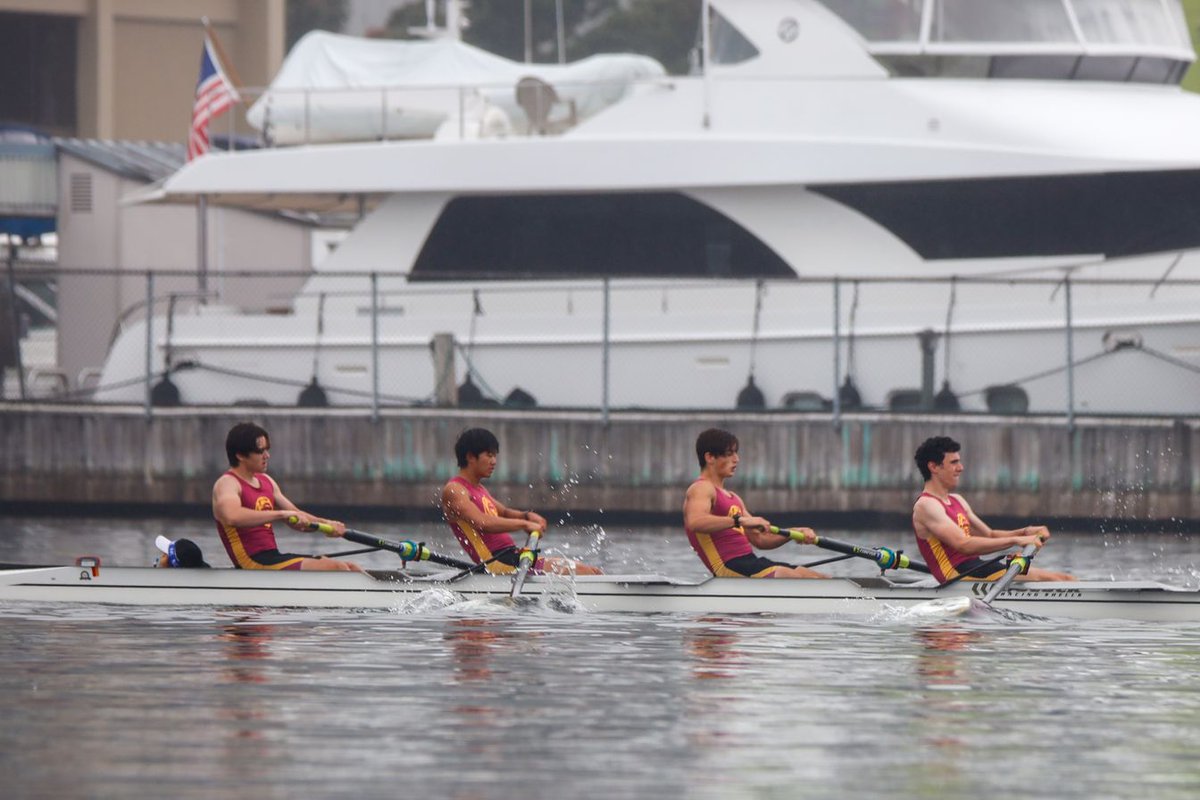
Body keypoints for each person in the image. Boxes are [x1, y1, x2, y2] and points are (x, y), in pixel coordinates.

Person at [912, 436, 1075, 584]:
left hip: (975, 568)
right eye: (953, 462)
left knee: (1065, 578)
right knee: (1058, 579)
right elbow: (963, 545)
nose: (960, 468)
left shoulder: (957, 500)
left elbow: (990, 535)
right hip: (957, 576)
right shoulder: (926, 505)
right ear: (933, 467)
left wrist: (1025, 532)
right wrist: (1015, 541)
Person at [441, 427, 602, 575]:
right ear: (470, 457)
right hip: (497, 564)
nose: (494, 461)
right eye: (489, 455)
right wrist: (524, 525)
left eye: (495, 456)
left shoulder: (479, 489)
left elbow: (503, 512)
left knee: (593, 571)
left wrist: (526, 516)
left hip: (511, 558)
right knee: (585, 572)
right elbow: (482, 523)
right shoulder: (455, 490)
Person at [212, 422, 366, 572]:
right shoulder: (227, 484)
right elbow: (232, 516)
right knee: (337, 568)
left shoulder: (267, 481)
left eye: (267, 449)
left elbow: (297, 517)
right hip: (252, 562)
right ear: (240, 455)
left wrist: (328, 525)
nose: (267, 455)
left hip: (272, 558)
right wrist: (281, 515)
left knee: (352, 568)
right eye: (260, 451)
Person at [683, 428, 826, 579]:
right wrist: (740, 520)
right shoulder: (701, 488)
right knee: (792, 576)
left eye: (736, 453)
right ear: (710, 457)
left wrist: (794, 532)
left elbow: (761, 539)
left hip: (750, 563)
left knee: (817, 578)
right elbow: (696, 521)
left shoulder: (734, 498)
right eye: (730, 453)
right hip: (728, 566)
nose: (736, 459)